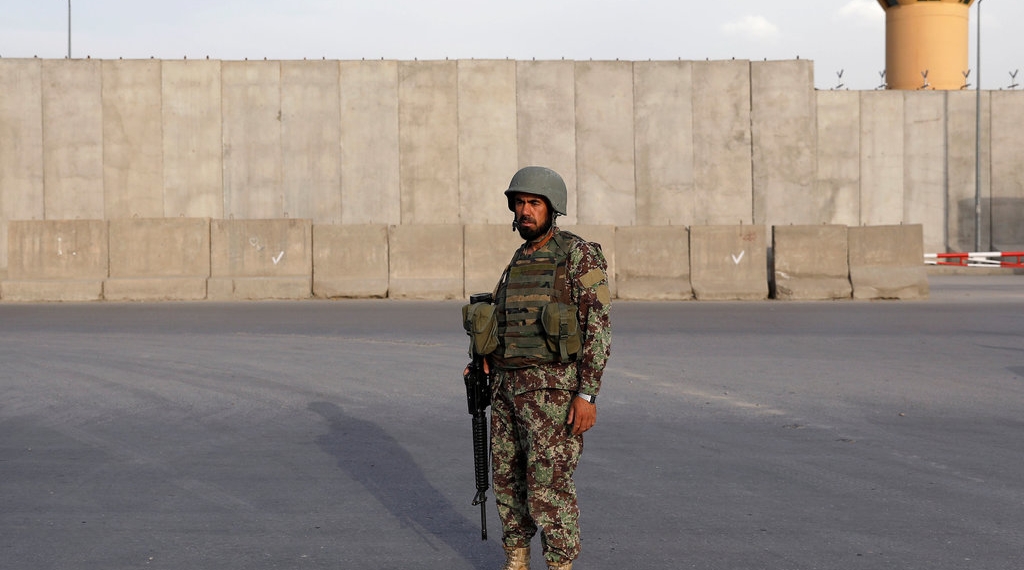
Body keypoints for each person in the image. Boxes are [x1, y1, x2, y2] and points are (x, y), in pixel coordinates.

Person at [486, 166, 612, 570]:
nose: (525, 211)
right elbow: (504, 320)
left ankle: (559, 565)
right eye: (519, 203)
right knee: (507, 485)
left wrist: (587, 395)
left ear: (552, 208)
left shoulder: (579, 254)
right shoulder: (518, 259)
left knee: (549, 489)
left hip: (552, 397)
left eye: (533, 203)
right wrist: (483, 361)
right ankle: (517, 563)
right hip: (506, 392)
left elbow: (599, 329)